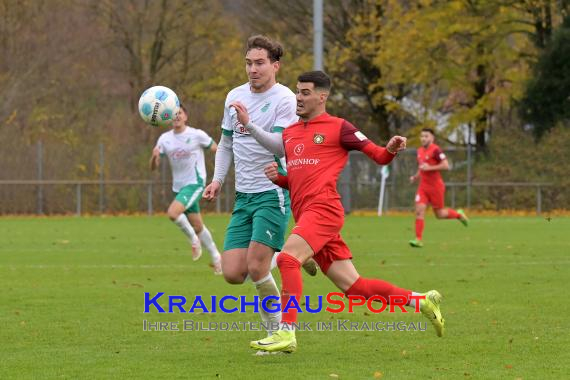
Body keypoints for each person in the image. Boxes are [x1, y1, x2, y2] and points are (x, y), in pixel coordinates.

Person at [235, 70, 445, 354]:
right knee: (355, 288)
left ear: (323, 97)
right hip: (307, 215)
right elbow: (300, 179)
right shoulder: (291, 133)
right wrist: (280, 179)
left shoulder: (339, 127)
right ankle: (419, 300)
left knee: (287, 259)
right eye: (297, 91)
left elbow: (379, 156)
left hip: (324, 210)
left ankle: (286, 332)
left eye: (306, 92)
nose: (298, 97)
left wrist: (391, 149)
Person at [202, 35, 317, 336]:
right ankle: (294, 253)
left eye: (260, 63)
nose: (253, 69)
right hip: (244, 196)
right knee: (232, 273)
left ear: (275, 66)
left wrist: (250, 123)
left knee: (256, 267)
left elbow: (280, 146)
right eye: (249, 63)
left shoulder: (285, 100)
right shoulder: (234, 96)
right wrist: (217, 180)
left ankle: (276, 333)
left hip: (273, 191)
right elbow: (226, 144)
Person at [150, 104, 222, 275]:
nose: (177, 116)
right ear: (168, 118)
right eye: (174, 114)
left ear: (185, 116)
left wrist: (220, 173)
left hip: (195, 183)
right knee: (198, 225)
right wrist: (153, 158)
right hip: (179, 187)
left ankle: (194, 241)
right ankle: (217, 258)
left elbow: (218, 150)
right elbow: (153, 167)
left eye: (180, 113)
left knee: (173, 213)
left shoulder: (197, 135)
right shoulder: (164, 139)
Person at [408, 128, 469, 248]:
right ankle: (418, 239)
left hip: (436, 187)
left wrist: (429, 168)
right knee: (419, 211)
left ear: (432, 138)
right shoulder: (419, 151)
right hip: (423, 187)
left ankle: (459, 215)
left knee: (440, 214)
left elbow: (446, 165)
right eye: (422, 136)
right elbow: (422, 167)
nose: (423, 138)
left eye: (426, 136)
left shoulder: (436, 150)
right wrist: (415, 177)